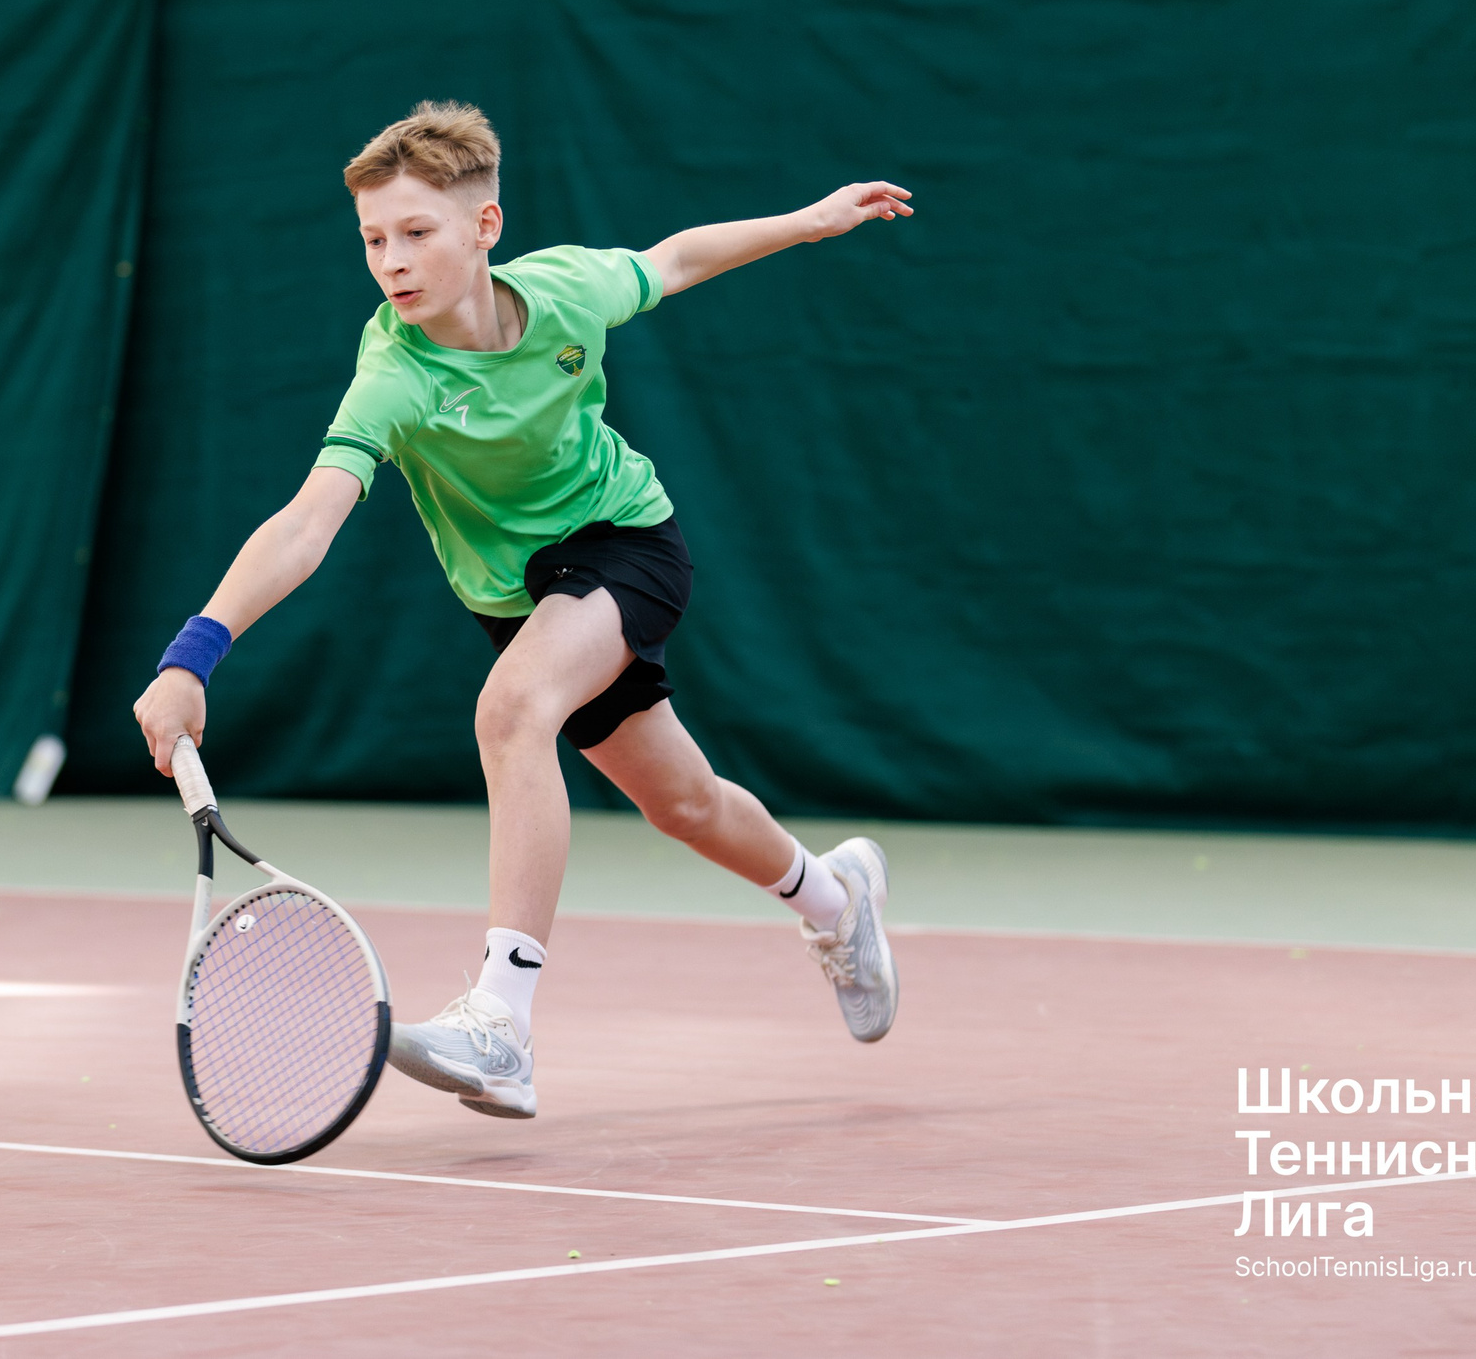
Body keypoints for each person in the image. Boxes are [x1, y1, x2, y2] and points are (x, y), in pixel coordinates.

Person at [132, 100, 910, 1121]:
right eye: (372, 238)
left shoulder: (568, 291)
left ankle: (500, 1023)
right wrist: (195, 652)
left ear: (485, 227)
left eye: (416, 232)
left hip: (624, 543)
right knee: (681, 802)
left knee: (509, 714)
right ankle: (835, 898)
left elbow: (672, 260)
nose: (390, 261)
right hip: (517, 597)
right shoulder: (394, 379)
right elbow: (306, 523)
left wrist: (808, 220)